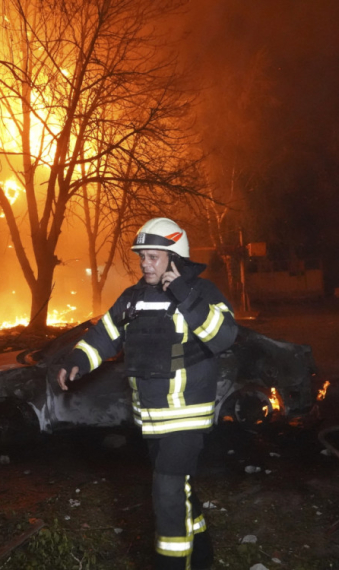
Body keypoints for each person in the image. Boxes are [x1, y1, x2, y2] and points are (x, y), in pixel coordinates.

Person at [57, 217, 238, 570]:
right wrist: (77, 359)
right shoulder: (133, 298)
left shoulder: (201, 292)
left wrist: (183, 294)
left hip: (185, 419)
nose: (144, 264)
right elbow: (104, 334)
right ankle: (201, 555)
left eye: (153, 257)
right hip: (151, 419)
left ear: (174, 259)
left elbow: (224, 336)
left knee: (167, 494)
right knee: (179, 489)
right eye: (142, 257)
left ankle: (173, 563)